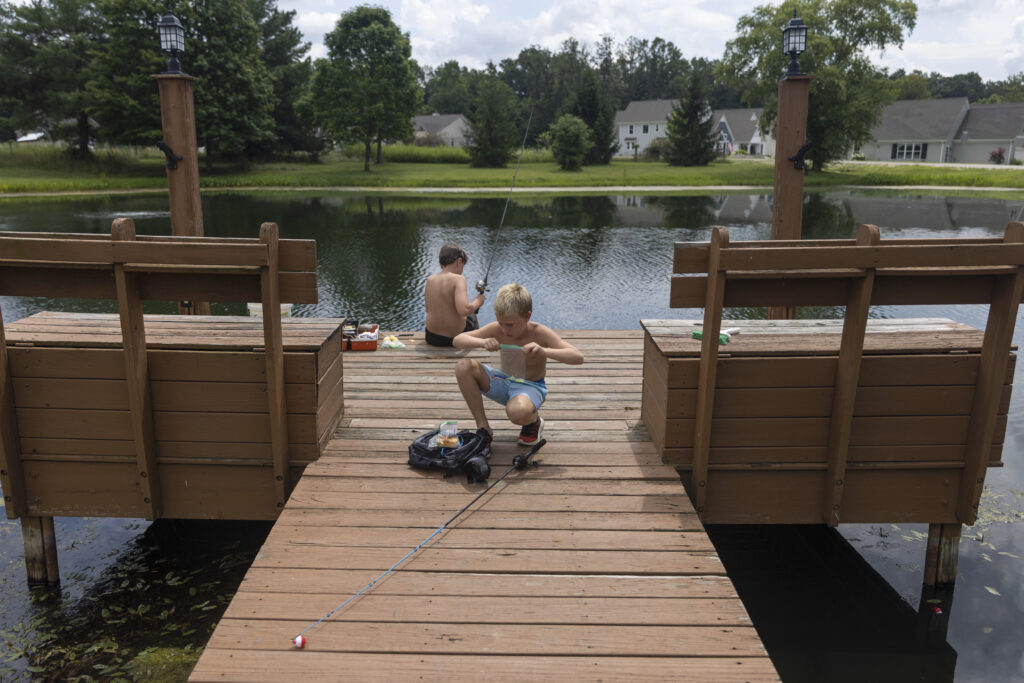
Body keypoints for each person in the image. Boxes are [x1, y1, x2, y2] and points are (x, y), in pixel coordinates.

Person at [453, 283, 584, 446]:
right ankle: (483, 428)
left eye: (509, 324)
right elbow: (458, 340)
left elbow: (577, 357)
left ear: (527, 316)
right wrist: (482, 342)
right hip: (501, 379)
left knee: (517, 413)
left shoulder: (539, 332)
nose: (504, 329)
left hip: (530, 386)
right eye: (500, 323)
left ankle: (533, 421)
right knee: (463, 366)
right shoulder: (497, 329)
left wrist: (544, 351)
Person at [424, 244, 485, 347]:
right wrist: (478, 301)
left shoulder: (430, 280)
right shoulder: (459, 279)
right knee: (471, 315)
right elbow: (464, 310)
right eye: (463, 266)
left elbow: (428, 309)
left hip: (431, 337)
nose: (462, 271)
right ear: (459, 261)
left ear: (441, 264)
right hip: (454, 339)